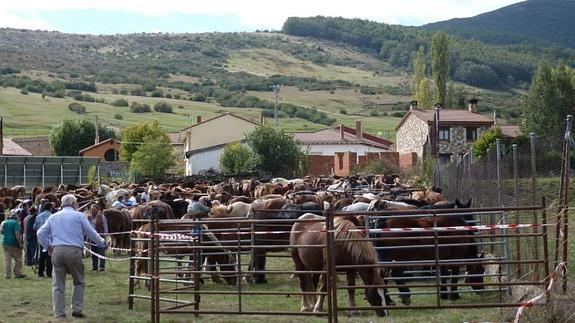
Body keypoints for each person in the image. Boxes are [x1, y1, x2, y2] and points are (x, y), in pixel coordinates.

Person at [37, 194, 106, 319]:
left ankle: (59, 313)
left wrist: (48, 246)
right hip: (74, 251)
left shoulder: (53, 217)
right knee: (79, 281)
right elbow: (91, 232)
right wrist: (102, 243)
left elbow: (40, 233)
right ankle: (76, 309)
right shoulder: (80, 216)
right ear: (75, 204)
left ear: (62, 204)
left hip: (57, 250)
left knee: (58, 284)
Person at [1, 210, 26, 279]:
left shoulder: (4, 222)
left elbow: (2, 231)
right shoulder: (15, 223)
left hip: (5, 243)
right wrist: (20, 243)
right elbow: (17, 234)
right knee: (18, 260)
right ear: (15, 217)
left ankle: (7, 275)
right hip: (14, 244)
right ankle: (17, 273)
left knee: (7, 260)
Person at [34, 202, 54, 278]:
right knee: (49, 256)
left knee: (41, 256)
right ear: (50, 208)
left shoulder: (38, 216)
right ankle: (49, 272)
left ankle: (40, 272)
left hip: (41, 238)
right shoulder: (52, 216)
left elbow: (35, 227)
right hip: (50, 239)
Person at [86, 204, 107, 271]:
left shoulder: (102, 217)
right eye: (92, 209)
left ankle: (102, 266)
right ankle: (94, 266)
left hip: (100, 236)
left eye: (94, 209)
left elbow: (105, 227)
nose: (93, 211)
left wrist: (105, 235)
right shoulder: (88, 218)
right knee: (94, 252)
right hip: (92, 237)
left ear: (98, 210)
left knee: (101, 252)